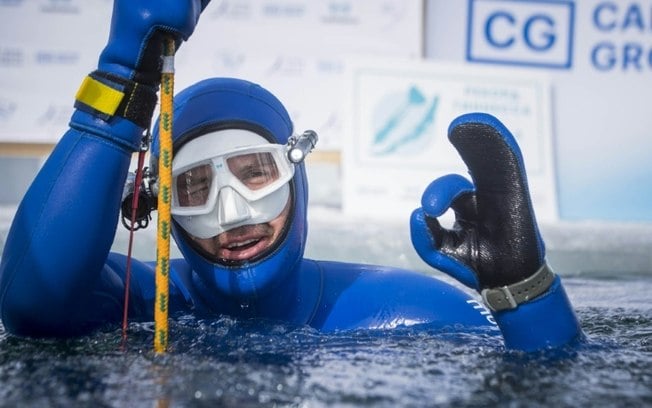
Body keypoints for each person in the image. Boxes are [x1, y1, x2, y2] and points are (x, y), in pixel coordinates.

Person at [0, 1, 582, 352]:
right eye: (195, 188)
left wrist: (526, 296)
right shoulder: (137, 303)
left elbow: (559, 387)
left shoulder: (413, 309)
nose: (233, 215)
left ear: (295, 177)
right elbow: (30, 304)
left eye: (257, 174)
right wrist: (127, 68)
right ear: (158, 206)